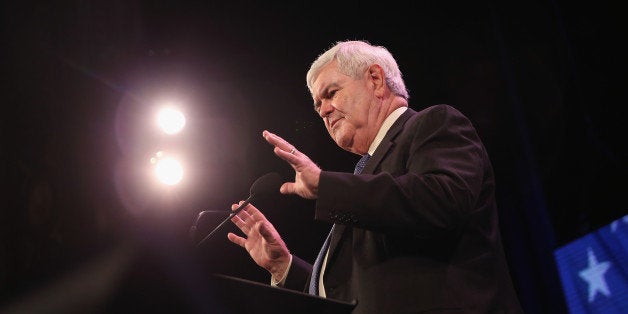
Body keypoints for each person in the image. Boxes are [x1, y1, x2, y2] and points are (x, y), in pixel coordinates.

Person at [227, 40, 523, 313]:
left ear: (376, 80)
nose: (325, 111)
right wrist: (284, 268)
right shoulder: (364, 179)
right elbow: (353, 291)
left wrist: (325, 185)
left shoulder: (433, 124)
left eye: (331, 93)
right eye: (318, 106)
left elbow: (442, 199)